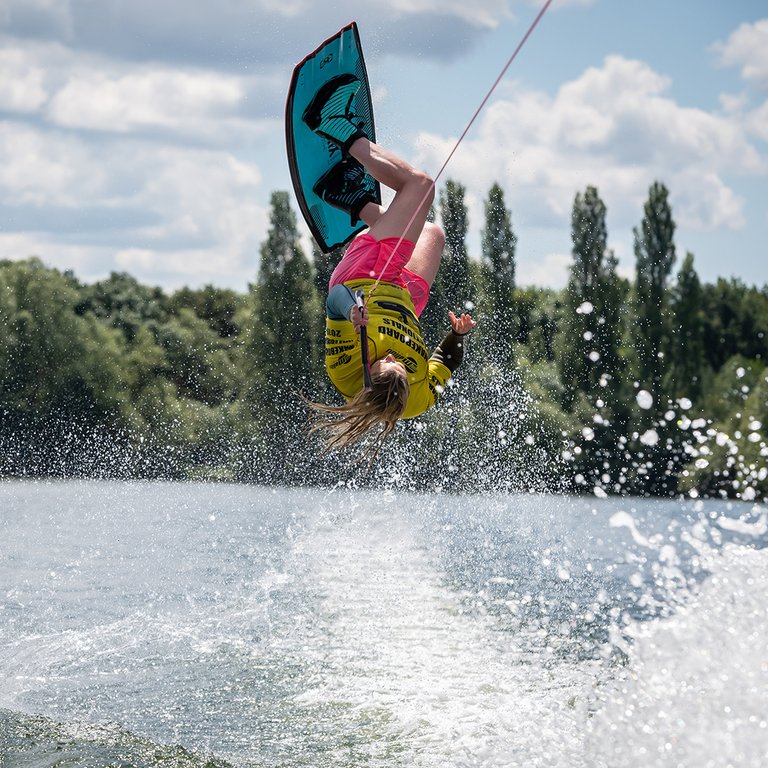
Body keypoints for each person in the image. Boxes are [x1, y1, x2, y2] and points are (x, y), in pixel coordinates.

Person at [302, 74, 476, 457]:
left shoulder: (346, 367)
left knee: (420, 187)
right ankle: (351, 199)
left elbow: (333, 299)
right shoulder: (415, 401)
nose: (394, 359)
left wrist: (352, 310)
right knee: (433, 235)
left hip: (365, 280)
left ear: (368, 378)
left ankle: (336, 126)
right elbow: (444, 364)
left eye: (386, 364)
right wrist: (457, 337)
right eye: (401, 367)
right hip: (406, 301)